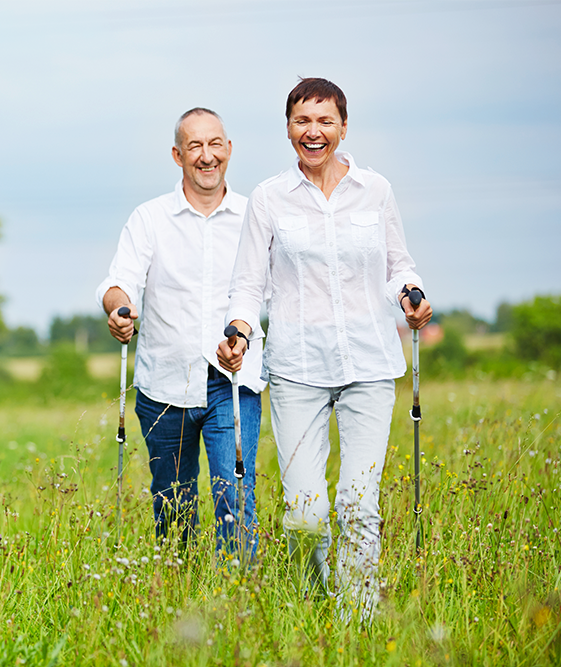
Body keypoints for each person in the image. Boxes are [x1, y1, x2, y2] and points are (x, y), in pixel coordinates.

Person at [217, 78, 432, 620]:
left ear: (342, 127)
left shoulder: (375, 190)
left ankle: (355, 621)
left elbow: (396, 265)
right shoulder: (268, 198)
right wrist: (238, 331)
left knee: (359, 504)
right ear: (288, 128)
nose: (313, 133)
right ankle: (317, 602)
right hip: (297, 369)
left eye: (324, 122)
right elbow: (246, 283)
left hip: (368, 364)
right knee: (305, 513)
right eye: (301, 122)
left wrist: (412, 293)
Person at [96, 108, 265, 555]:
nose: (206, 156)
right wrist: (120, 310)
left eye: (215, 145)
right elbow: (119, 283)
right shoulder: (149, 218)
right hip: (165, 382)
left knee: (234, 495)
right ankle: (177, 595)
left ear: (228, 150)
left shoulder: (255, 215)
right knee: (173, 504)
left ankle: (238, 599)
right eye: (195, 146)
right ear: (177, 155)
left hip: (233, 380)